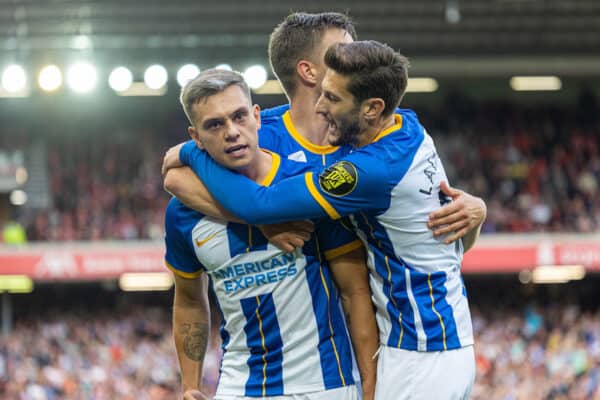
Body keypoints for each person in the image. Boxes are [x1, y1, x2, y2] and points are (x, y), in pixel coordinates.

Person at [175, 41, 478, 400]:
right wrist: (477, 215)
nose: (320, 107)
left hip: (422, 350)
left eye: (332, 99)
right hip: (436, 340)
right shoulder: (407, 125)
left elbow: (261, 204)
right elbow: (451, 242)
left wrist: (188, 152)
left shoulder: (368, 171)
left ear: (372, 109)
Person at [163, 12, 486, 247]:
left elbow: (442, 236)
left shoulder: (377, 133)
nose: (356, 57)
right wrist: (257, 221)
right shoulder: (255, 133)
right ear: (308, 71)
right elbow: (174, 176)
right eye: (342, 52)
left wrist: (477, 213)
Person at [165, 68, 378, 400]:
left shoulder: (306, 185)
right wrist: (190, 385)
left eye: (238, 117)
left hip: (324, 385)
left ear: (257, 117)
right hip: (238, 388)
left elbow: (355, 292)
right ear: (195, 137)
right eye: (215, 124)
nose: (232, 132)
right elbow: (190, 300)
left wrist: (370, 388)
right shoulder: (183, 213)